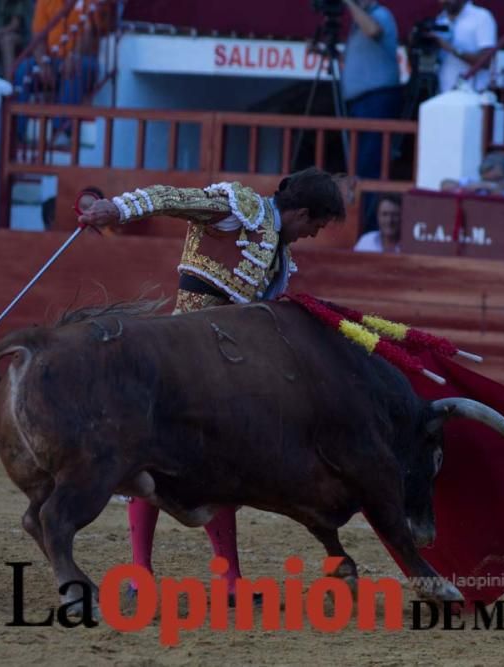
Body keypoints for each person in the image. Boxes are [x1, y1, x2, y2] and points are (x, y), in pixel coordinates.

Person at [77, 168, 349, 599]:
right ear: (299, 211)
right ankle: (140, 575)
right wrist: (118, 209)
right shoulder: (238, 209)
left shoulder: (278, 251)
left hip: (225, 373)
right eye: (315, 224)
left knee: (224, 469)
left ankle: (229, 581)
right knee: (150, 463)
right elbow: (170, 198)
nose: (314, 234)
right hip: (181, 360)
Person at [340, 0, 401, 181]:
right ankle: (363, 205)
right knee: (359, 162)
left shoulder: (380, 14)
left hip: (376, 97)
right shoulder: (360, 19)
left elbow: (373, 30)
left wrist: (350, 3)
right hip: (361, 100)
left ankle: (369, 208)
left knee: (369, 163)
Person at [432, 0, 497, 93]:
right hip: (444, 93)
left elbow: (485, 61)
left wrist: (452, 49)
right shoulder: (441, 19)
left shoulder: (481, 17)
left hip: (473, 94)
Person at [440, 151, 504, 198]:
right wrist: (464, 189)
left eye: (497, 180)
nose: (492, 183)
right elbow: (445, 184)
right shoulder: (478, 182)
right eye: (487, 180)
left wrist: (496, 191)